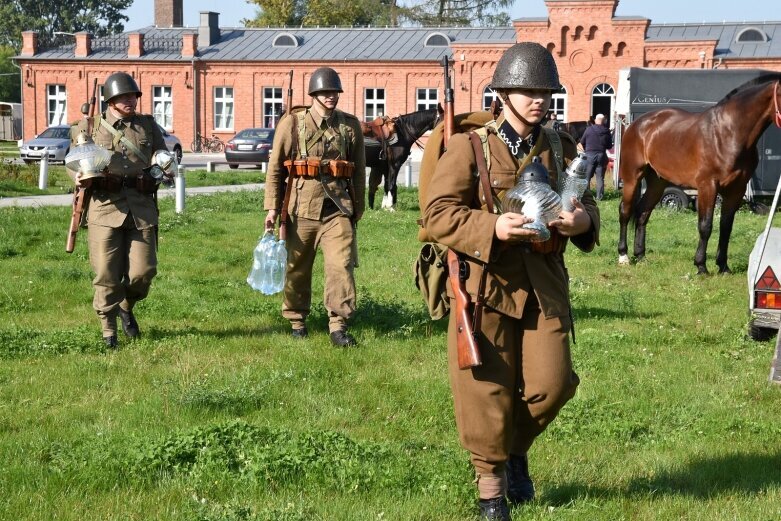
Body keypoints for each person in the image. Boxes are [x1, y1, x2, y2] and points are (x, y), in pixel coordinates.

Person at [423, 42, 601, 520]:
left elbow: (586, 205)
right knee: (487, 389)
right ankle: (491, 486)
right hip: (486, 286)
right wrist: (493, 227)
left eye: (545, 90)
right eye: (527, 89)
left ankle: (514, 447)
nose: (538, 98)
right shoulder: (469, 147)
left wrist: (582, 223)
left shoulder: (560, 147)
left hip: (544, 283)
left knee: (555, 384)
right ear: (502, 92)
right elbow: (437, 215)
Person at [68, 71, 174, 348]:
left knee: (144, 272)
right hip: (105, 207)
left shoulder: (147, 126)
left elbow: (161, 157)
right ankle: (108, 329)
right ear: (110, 100)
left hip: (141, 207)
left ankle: (126, 304)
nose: (130, 101)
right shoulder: (89, 127)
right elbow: (73, 163)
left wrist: (163, 170)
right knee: (106, 272)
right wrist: (79, 176)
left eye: (133, 96)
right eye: (123, 97)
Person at [263, 67, 365, 347]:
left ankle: (338, 325)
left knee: (341, 266)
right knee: (298, 267)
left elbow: (358, 171)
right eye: (324, 92)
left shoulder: (349, 126)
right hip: (301, 208)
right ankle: (297, 321)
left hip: (338, 207)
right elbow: (275, 169)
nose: (330, 97)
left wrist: (358, 208)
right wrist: (272, 207)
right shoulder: (293, 123)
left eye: (334, 92)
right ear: (314, 95)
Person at [579, 113, 613, 200]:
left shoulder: (589, 129)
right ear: (603, 121)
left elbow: (582, 141)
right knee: (600, 177)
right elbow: (609, 146)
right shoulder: (607, 131)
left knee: (587, 177)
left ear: (595, 120)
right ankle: (599, 197)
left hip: (589, 155)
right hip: (601, 155)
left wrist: (587, 148)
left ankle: (586, 197)